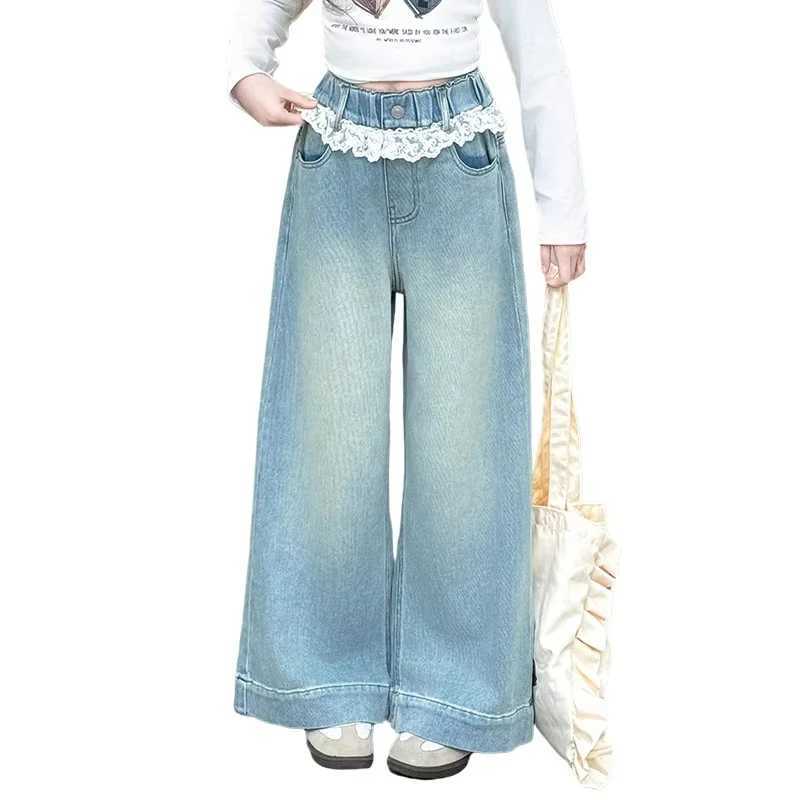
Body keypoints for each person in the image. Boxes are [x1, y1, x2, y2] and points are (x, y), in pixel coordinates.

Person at [228, 0, 587, 780]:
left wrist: (563, 212)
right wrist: (244, 73)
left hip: (459, 160)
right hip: (338, 152)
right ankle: (327, 677)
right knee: (327, 430)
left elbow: (538, 53)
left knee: (465, 440)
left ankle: (456, 693)